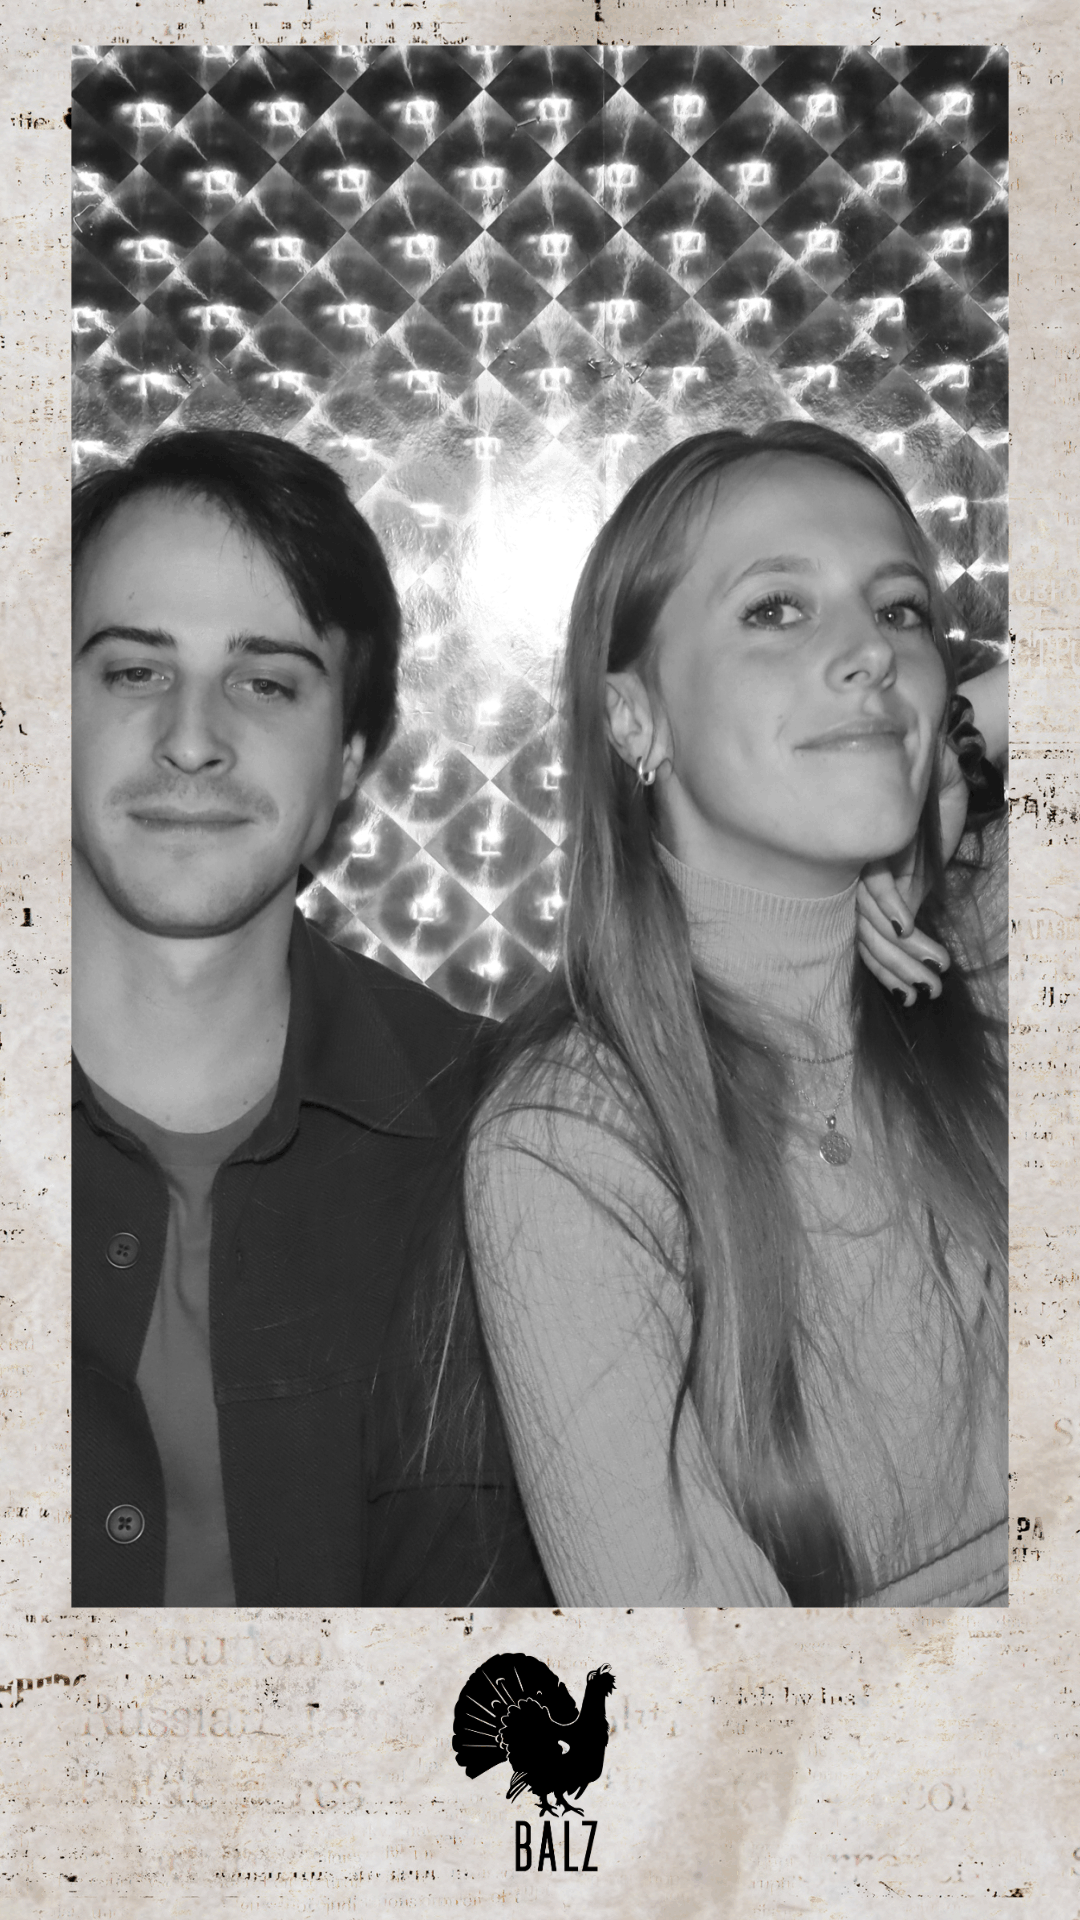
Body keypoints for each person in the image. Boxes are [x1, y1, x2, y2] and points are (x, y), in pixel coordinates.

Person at [461, 421, 1008, 1609]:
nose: (871, 653)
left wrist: (952, 753)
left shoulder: (988, 953)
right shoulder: (573, 1142)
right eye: (775, 610)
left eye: (901, 610)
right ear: (633, 718)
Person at [72, 427, 551, 1607]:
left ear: (347, 760)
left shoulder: (508, 1145)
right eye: (133, 671)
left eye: (267, 682)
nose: (192, 740)